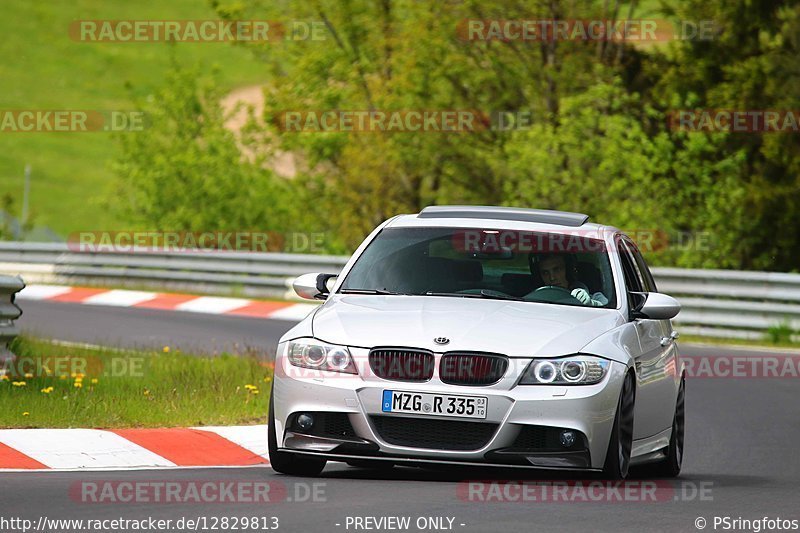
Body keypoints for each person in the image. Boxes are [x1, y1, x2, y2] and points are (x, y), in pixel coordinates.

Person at [532, 254, 608, 307]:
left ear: (569, 271)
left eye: (557, 269)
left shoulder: (594, 296)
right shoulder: (531, 300)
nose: (552, 278)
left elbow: (609, 309)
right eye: (545, 273)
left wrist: (591, 303)